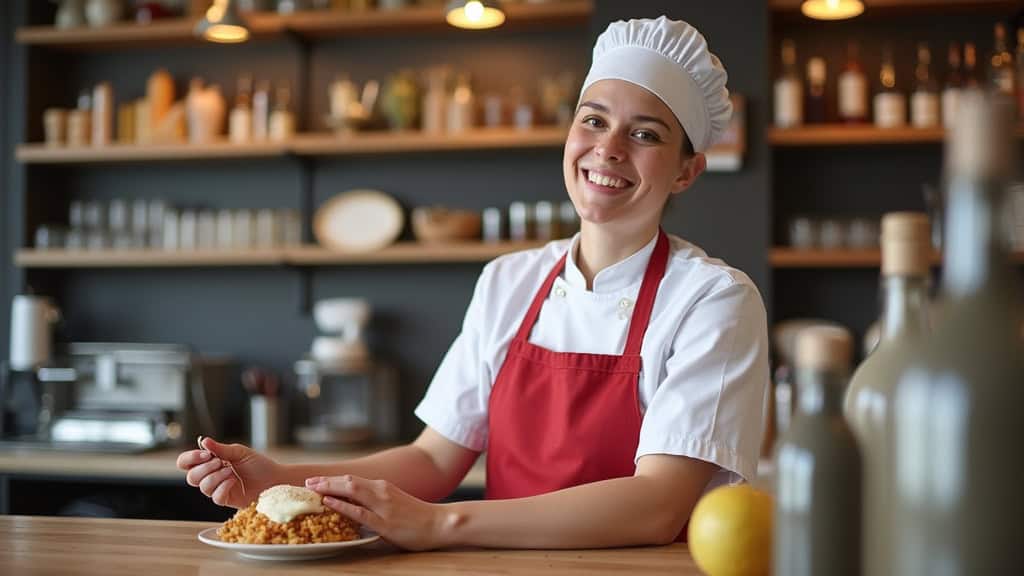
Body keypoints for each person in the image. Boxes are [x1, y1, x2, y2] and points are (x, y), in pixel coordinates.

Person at [178, 15, 769, 551]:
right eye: (593, 120)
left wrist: (441, 524)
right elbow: (434, 458)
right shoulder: (509, 281)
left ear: (687, 170)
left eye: (645, 134)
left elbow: (657, 505)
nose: (608, 148)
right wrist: (279, 480)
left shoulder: (712, 300)